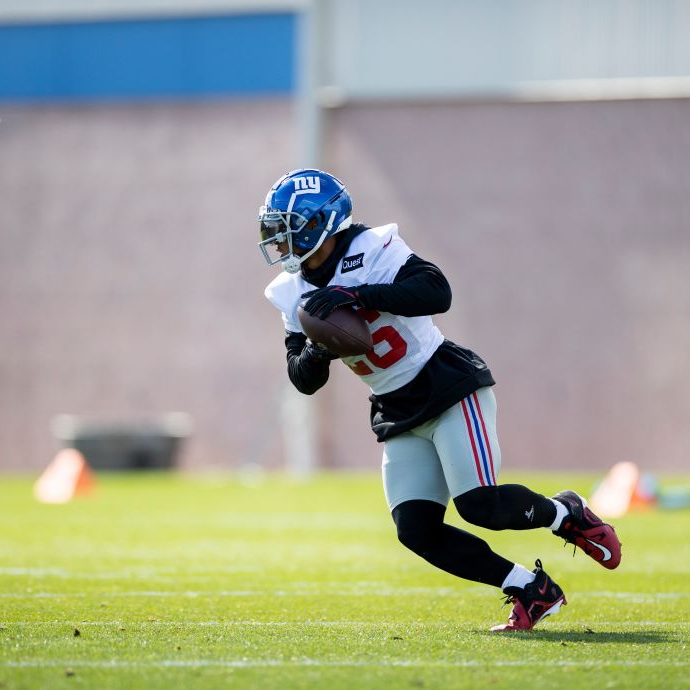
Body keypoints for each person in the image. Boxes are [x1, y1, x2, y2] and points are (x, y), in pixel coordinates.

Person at [258, 168, 622, 631]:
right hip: (394, 405)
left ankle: (563, 513)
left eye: (288, 229)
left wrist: (355, 293)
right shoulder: (291, 293)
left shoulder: (371, 249)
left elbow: (437, 291)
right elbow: (303, 381)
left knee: (478, 505)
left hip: (445, 385)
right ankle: (530, 588)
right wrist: (316, 348)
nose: (281, 243)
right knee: (416, 530)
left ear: (319, 223)